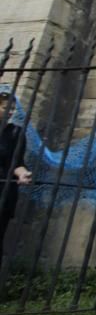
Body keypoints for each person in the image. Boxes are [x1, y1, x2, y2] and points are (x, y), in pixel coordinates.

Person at [0, 86, 30, 257]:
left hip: (3, 190)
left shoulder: (15, 133)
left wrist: (21, 173)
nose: (10, 112)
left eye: (12, 108)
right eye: (6, 108)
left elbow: (17, 162)